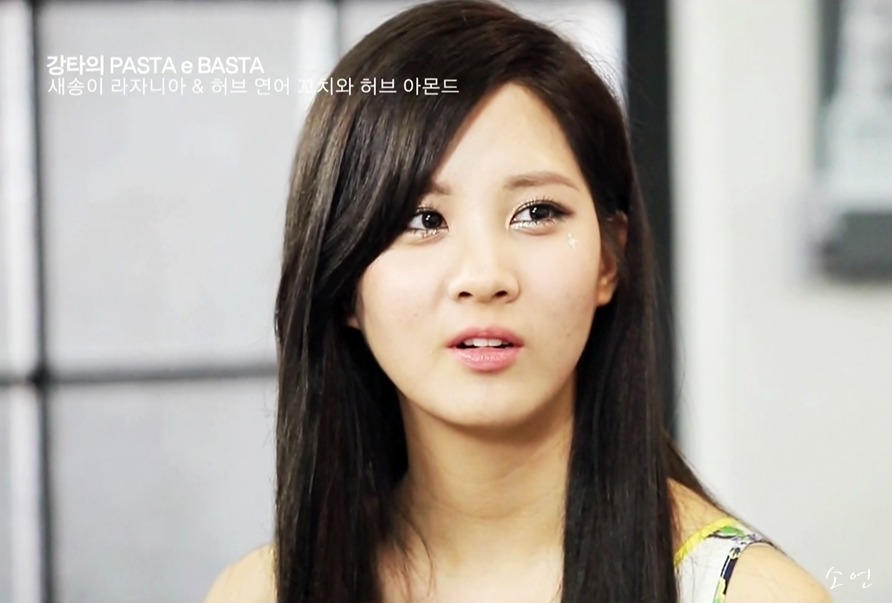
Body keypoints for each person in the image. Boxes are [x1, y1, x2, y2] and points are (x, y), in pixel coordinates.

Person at [204, 1, 833, 602]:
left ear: (609, 261)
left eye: (536, 212)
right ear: (344, 282)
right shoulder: (259, 592)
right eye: (422, 220)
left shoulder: (751, 594)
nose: (485, 276)